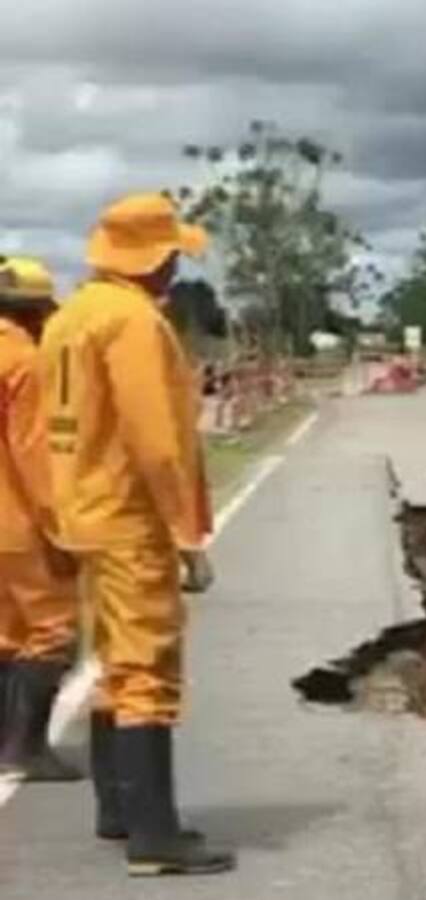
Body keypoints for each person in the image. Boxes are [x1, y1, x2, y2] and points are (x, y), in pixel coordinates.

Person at [39, 193, 233, 876]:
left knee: (113, 663)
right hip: (129, 517)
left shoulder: (71, 317)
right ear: (154, 257)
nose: (177, 264)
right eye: (172, 252)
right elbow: (157, 442)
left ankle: (117, 809)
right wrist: (187, 532)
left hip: (83, 512)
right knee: (148, 665)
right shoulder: (134, 325)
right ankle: (156, 833)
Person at [0, 256, 81, 782]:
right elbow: (34, 453)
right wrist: (62, 527)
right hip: (15, 522)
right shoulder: (24, 362)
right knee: (53, 632)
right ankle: (26, 748)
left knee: (5, 634)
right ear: (33, 312)